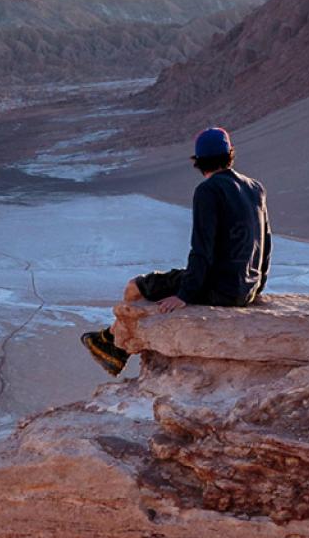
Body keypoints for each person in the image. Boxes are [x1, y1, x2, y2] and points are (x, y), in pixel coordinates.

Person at [81, 127, 271, 376]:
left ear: (198, 161)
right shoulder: (255, 188)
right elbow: (265, 242)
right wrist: (256, 286)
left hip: (219, 288)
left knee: (135, 287)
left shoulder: (208, 191)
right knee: (158, 284)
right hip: (244, 288)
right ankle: (108, 338)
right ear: (230, 155)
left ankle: (115, 351)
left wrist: (185, 294)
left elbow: (202, 248)